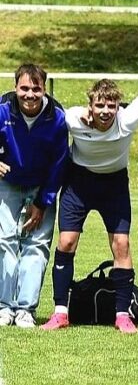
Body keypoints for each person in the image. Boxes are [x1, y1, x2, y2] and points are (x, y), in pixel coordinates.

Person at [40, 74, 138, 333]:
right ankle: (60, 312)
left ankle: (122, 314)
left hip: (114, 186)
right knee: (66, 242)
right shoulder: (74, 118)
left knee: (121, 244)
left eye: (111, 106)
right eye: (99, 105)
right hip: (78, 184)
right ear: (90, 106)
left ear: (118, 107)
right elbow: (43, 104)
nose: (105, 111)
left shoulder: (128, 118)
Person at [0, 64, 68, 328]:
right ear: (15, 87)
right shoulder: (2, 110)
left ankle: (25, 309)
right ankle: (4, 307)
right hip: (8, 184)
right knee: (4, 241)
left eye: (36, 89)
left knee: (37, 245)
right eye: (24, 88)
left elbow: (59, 164)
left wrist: (43, 202)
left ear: (44, 89)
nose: (30, 94)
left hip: (41, 187)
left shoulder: (57, 118)